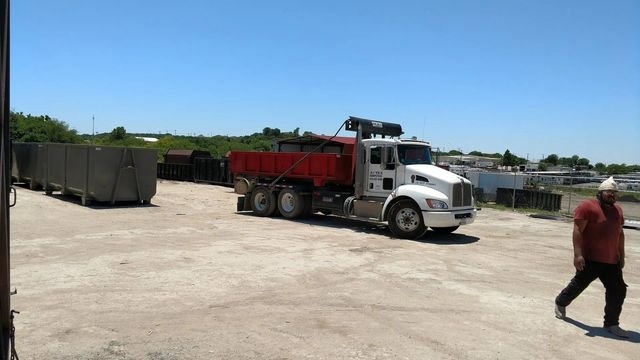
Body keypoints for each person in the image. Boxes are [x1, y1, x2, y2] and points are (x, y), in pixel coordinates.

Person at [554, 176, 628, 337]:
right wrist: (578, 255)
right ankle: (560, 302)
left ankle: (611, 323)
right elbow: (578, 230)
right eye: (609, 192)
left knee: (618, 290)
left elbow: (620, 234)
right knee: (578, 285)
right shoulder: (587, 207)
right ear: (600, 192)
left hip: (611, 260)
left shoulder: (618, 210)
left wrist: (621, 256)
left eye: (615, 193)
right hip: (590, 258)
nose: (612, 195)